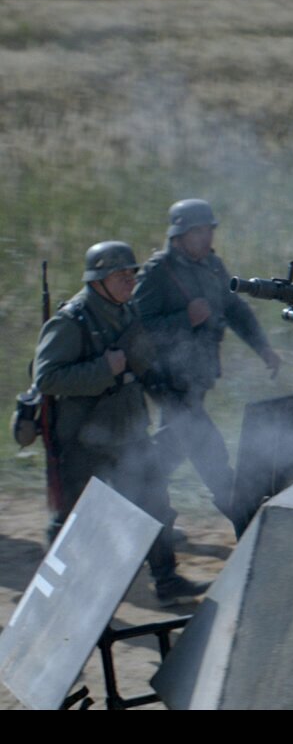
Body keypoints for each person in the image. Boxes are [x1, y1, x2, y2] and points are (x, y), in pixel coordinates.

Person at [35, 242, 208, 605]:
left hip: (129, 431)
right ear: (98, 280)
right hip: (85, 440)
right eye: (121, 275)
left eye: (132, 274)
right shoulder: (72, 321)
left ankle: (166, 580)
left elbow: (141, 363)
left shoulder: (126, 311)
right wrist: (103, 369)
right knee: (74, 522)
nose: (130, 281)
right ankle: (59, 599)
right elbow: (47, 378)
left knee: (154, 504)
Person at [131, 198, 282, 534]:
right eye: (197, 232)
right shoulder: (157, 273)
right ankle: (244, 519)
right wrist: (184, 318)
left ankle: (135, 499)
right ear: (178, 235)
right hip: (165, 379)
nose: (206, 238)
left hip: (196, 377)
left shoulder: (212, 266)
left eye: (208, 230)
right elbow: (136, 330)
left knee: (173, 447)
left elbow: (235, 309)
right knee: (206, 447)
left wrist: (263, 348)